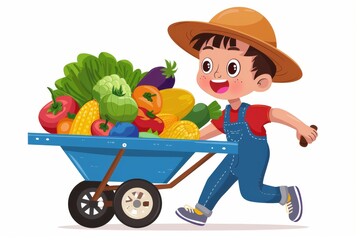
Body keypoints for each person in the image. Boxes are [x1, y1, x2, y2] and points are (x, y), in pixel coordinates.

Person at [167, 7, 318, 226]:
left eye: (232, 67)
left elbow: (276, 114)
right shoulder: (227, 114)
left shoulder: (252, 112)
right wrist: (188, 140)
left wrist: (301, 127)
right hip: (233, 155)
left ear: (261, 82)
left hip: (252, 156)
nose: (216, 75)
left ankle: (285, 194)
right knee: (215, 181)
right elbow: (214, 129)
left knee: (251, 193)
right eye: (207, 65)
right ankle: (201, 213)